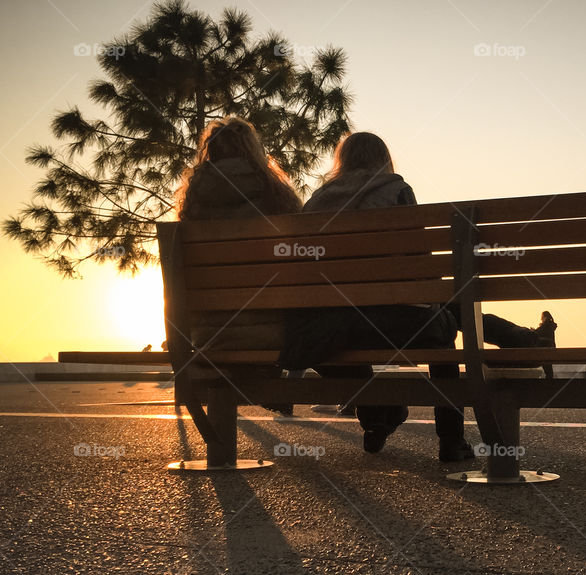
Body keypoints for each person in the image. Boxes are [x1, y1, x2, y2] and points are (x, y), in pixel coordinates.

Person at [280, 132, 557, 461]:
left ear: (341, 161)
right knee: (445, 324)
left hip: (333, 326)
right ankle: (452, 439)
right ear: (384, 160)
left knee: (442, 310)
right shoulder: (395, 190)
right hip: (396, 322)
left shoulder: (317, 201)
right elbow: (420, 263)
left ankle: (379, 418)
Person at [177, 117, 303, 413]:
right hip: (274, 333)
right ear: (253, 150)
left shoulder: (192, 198)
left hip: (209, 334)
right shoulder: (276, 193)